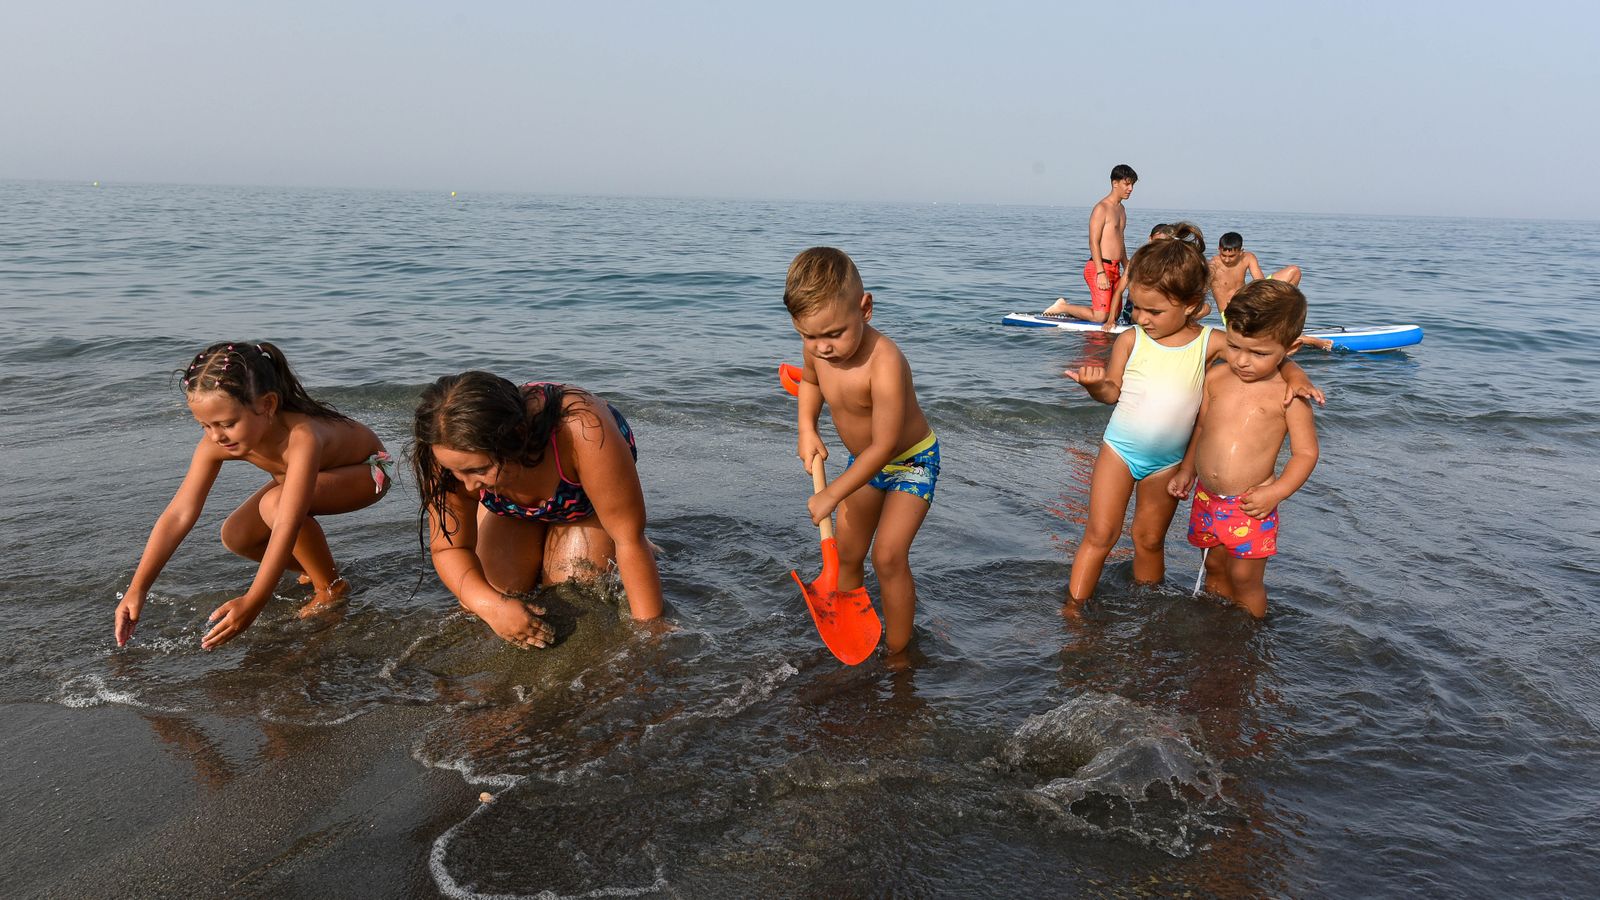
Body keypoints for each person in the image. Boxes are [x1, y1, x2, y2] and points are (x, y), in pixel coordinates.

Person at [1062, 225, 1322, 612]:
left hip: (1166, 464)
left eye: (1154, 310)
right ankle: (1073, 608)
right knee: (1100, 534)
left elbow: (1265, 352)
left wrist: (1297, 373)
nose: (1142, 317)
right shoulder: (1131, 340)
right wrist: (1094, 386)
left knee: (1149, 539)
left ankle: (1147, 607)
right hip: (1119, 450)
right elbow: (1112, 394)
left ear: (1190, 305)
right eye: (1136, 307)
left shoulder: (1212, 343)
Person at [114, 342, 392, 649]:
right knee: (237, 534)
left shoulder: (303, 435)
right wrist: (137, 588)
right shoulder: (215, 444)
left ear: (268, 405)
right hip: (301, 483)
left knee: (274, 505)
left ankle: (331, 588)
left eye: (227, 424)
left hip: (365, 473)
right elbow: (179, 513)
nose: (216, 436)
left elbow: (287, 521)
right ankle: (313, 570)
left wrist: (254, 600)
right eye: (205, 425)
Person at [411, 372, 662, 649]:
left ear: (516, 438)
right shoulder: (443, 449)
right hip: (509, 507)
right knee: (492, 595)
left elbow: (629, 540)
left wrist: (650, 636)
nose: (468, 486)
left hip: (581, 503)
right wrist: (492, 607)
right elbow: (449, 549)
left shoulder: (582, 429)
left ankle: (616, 532)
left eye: (478, 469)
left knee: (576, 592)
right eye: (455, 472)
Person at [786, 247, 938, 659]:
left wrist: (832, 494)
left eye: (834, 334)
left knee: (887, 556)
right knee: (848, 554)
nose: (823, 348)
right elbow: (811, 383)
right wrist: (807, 428)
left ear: (865, 308)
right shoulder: (816, 352)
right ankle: (849, 621)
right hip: (864, 463)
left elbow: (885, 445)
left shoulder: (884, 361)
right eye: (809, 336)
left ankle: (899, 652)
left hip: (910, 464)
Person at [1168, 280, 1320, 617]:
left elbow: (1306, 453)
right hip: (1207, 498)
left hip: (1252, 505)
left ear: (1290, 349)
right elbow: (1203, 428)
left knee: (1245, 579)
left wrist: (1276, 492)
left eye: (1259, 353)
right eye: (1235, 347)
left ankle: (1251, 636)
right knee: (1215, 568)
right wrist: (1186, 469)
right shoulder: (1217, 378)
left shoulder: (1289, 395)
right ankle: (1215, 626)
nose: (1243, 361)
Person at [1042, 163, 1138, 324]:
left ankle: (1085, 312)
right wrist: (1101, 273)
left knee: (1113, 316)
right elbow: (1093, 241)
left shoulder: (1122, 210)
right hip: (1099, 267)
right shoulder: (1101, 208)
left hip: (1115, 268)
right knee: (1101, 317)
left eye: (1132, 185)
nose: (1130, 189)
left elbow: (1119, 241)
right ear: (1115, 183)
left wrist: (1127, 265)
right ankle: (1062, 307)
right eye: (1127, 184)